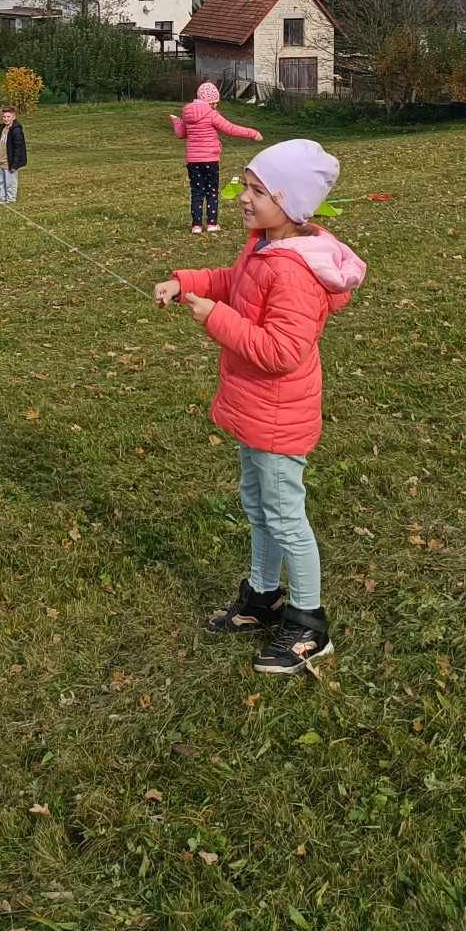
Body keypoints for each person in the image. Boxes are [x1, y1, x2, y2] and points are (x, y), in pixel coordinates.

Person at [155, 139, 365, 675]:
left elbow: (280, 351)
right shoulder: (263, 247)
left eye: (256, 190)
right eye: (243, 186)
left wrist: (211, 317)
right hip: (255, 410)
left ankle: (308, 623)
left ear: (290, 202)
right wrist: (187, 283)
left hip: (277, 415)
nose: (242, 198)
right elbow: (234, 285)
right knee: (258, 506)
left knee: (285, 517)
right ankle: (263, 598)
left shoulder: (292, 272)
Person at [170, 81, 261, 234]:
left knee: (197, 192)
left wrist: (176, 122)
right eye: (215, 103)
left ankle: (196, 226)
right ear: (211, 102)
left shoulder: (187, 114)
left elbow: (181, 134)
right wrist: (252, 133)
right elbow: (231, 129)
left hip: (193, 161)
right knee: (212, 191)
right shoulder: (212, 115)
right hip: (210, 160)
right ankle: (212, 224)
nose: (216, 106)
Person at [0, 107, 27, 204]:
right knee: (0, 181)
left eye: (8, 116)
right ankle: (2, 197)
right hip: (1, 160)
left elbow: (18, 148)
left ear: (14, 117)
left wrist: (15, 164)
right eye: (4, 117)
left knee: (10, 182)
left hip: (10, 162)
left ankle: (11, 199)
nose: (6, 119)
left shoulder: (16, 130)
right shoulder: (2, 128)